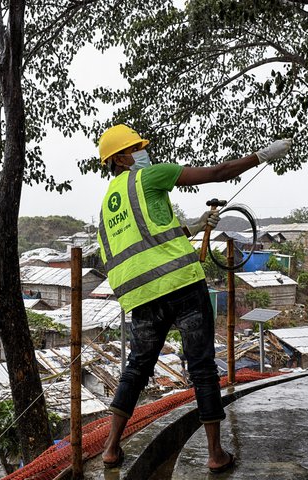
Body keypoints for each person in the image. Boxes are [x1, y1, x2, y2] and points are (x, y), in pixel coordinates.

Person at [97, 124, 292, 473]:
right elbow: (218, 173)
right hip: (182, 286)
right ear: (122, 158)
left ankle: (111, 448)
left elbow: (148, 240)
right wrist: (261, 156)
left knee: (136, 369)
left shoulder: (107, 210)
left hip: (141, 298)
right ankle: (216, 454)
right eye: (137, 148)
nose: (144, 152)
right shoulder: (149, 177)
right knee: (201, 366)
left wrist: (196, 226)